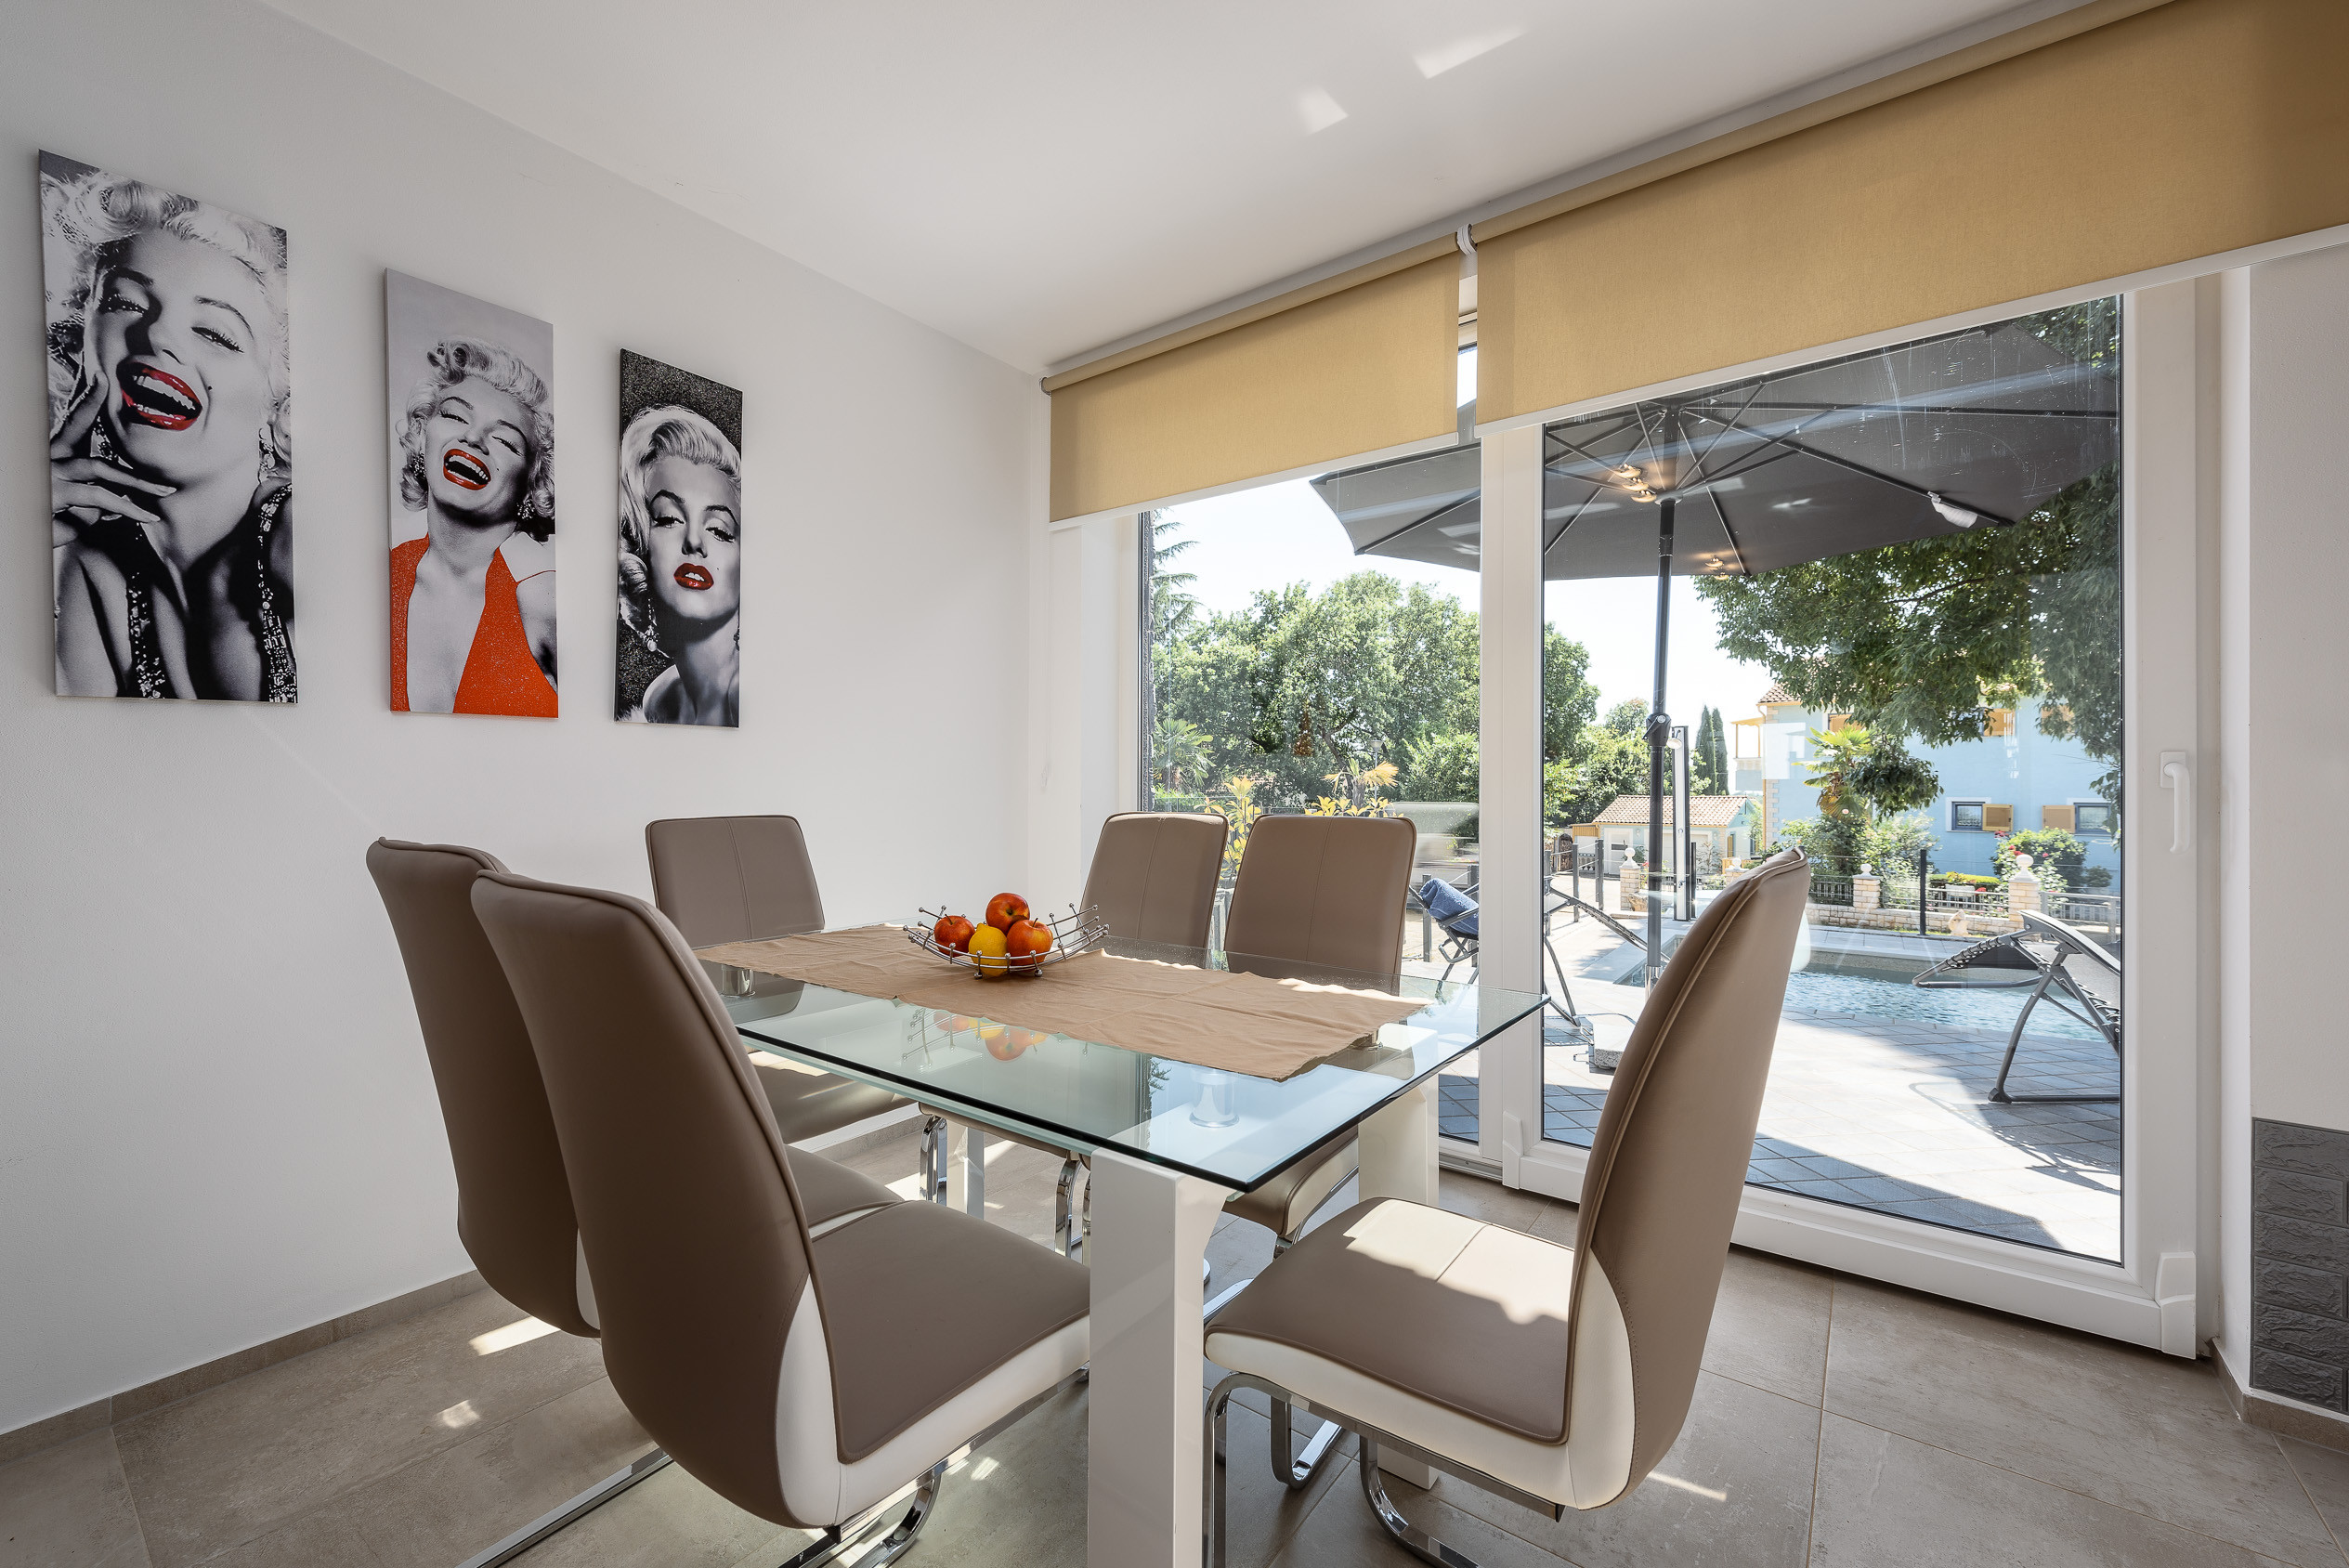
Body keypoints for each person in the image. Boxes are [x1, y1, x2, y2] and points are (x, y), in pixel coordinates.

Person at [46, 166, 295, 701]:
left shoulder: (292, 537)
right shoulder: (90, 566)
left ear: (277, 401)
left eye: (215, 333)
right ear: (81, 340)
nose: (156, 334)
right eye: (125, 304)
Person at [389, 340, 557, 715]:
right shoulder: (381, 578)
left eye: (504, 440)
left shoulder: (544, 599)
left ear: (531, 484)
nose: (473, 439)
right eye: (455, 416)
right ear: (422, 437)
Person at [616, 406, 739, 725]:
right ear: (639, 545)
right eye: (669, 519)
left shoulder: (744, 696)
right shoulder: (661, 700)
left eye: (720, 530)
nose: (694, 541)